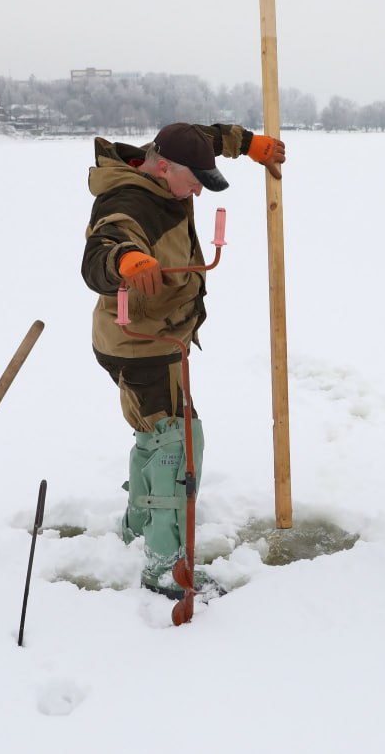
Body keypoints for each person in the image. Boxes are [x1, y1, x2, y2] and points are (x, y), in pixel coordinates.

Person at [81, 122, 285, 598]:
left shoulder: (172, 157)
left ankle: (137, 525)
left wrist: (248, 145)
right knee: (178, 441)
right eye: (193, 180)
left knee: (156, 430)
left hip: (155, 338)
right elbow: (100, 251)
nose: (197, 189)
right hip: (140, 344)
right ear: (164, 165)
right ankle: (164, 566)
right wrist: (125, 261)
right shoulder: (127, 202)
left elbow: (206, 137)